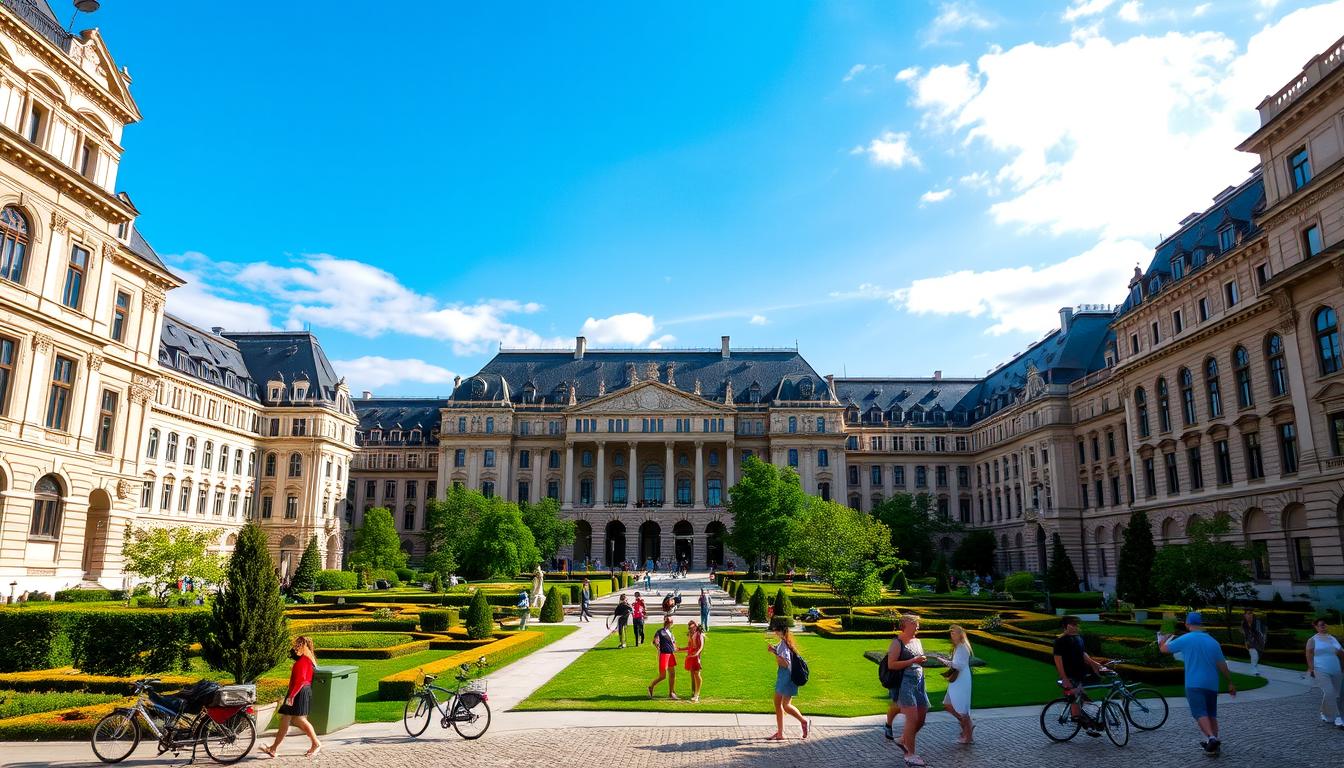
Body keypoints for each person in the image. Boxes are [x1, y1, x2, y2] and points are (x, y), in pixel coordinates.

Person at [1159, 612, 1236, 754]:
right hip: (1212, 684)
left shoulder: (1186, 639)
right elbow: (1222, 665)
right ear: (1200, 624)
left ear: (1187, 624)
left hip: (1194, 683)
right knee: (1211, 713)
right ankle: (1214, 745)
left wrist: (1162, 639)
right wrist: (1230, 683)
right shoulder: (1213, 641)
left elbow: (1163, 649)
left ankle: (1212, 738)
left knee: (1200, 713)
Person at [259, 636, 321, 759]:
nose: (295, 647)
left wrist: (292, 696)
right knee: (287, 719)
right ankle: (273, 748)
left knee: (298, 719)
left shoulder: (304, 660)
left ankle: (316, 743)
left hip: (299, 692)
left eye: (298, 644)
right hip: (298, 692)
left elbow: (301, 681)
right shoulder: (306, 659)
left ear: (303, 645)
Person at [884, 614, 928, 765]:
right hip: (905, 684)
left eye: (917, 624)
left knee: (921, 718)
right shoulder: (897, 642)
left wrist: (921, 661)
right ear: (904, 625)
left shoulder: (917, 641)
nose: (917, 626)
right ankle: (910, 755)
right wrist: (914, 660)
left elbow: (918, 659)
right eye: (914, 624)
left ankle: (903, 739)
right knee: (912, 718)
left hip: (919, 683)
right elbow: (891, 665)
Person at [1052, 615, 1108, 728]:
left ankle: (1084, 718)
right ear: (1067, 626)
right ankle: (1078, 719)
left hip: (1080, 672)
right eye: (1074, 624)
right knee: (1076, 696)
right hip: (1070, 674)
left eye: (1077, 624)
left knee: (1082, 696)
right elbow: (1058, 660)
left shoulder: (1078, 638)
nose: (1077, 626)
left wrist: (1094, 664)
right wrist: (1064, 678)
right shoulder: (1060, 640)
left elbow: (1082, 654)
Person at [766, 618, 809, 741]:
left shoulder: (784, 644)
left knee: (778, 704)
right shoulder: (786, 642)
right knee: (785, 705)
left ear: (780, 631)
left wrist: (775, 654)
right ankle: (801, 722)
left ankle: (781, 732)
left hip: (785, 677)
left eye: (776, 630)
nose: (774, 633)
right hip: (789, 677)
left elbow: (785, 663)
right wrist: (773, 650)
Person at [1305, 617, 1344, 727]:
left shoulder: (1332, 639)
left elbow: (1341, 653)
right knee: (1329, 692)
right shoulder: (1312, 640)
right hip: (1320, 669)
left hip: (1336, 669)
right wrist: (1311, 668)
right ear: (1316, 627)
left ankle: (1326, 714)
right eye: (1321, 625)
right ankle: (1337, 717)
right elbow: (1309, 655)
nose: (1324, 627)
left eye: (1325, 625)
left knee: (1335, 694)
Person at [943, 624, 974, 745]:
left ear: (960, 634)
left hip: (961, 680)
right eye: (951, 633)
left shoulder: (962, 647)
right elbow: (957, 663)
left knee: (962, 709)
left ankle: (968, 735)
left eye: (954, 632)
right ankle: (967, 726)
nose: (952, 635)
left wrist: (945, 661)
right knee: (947, 705)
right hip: (958, 680)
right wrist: (949, 661)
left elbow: (959, 665)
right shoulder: (958, 647)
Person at [648, 615, 679, 699]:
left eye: (670, 621)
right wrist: (658, 646)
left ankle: (671, 693)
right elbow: (655, 641)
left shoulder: (671, 633)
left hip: (671, 654)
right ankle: (651, 686)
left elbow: (673, 642)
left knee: (672, 674)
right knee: (663, 676)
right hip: (664, 655)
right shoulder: (660, 631)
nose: (669, 622)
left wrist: (675, 647)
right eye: (668, 621)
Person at [1242, 608, 1267, 676]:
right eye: (1248, 613)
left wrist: (1263, 640)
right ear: (1244, 615)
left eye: (1251, 613)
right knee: (1253, 654)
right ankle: (1254, 670)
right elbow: (1245, 634)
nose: (1250, 615)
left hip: (1260, 641)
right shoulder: (1244, 624)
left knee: (1256, 656)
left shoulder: (1257, 622)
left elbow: (1263, 632)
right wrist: (1246, 642)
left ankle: (1254, 668)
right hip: (1251, 642)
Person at [685, 619, 705, 702]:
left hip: (696, 657)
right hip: (691, 656)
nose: (690, 628)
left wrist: (697, 653)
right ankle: (694, 693)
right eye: (690, 627)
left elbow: (701, 646)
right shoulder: (691, 635)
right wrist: (680, 649)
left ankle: (697, 694)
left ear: (696, 627)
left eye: (692, 626)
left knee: (697, 674)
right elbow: (689, 647)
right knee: (693, 675)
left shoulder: (699, 634)